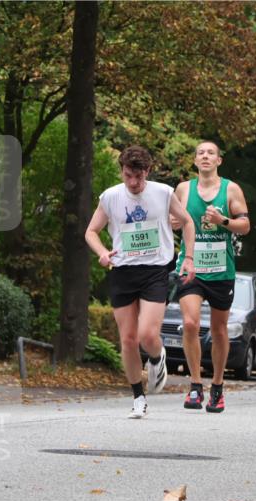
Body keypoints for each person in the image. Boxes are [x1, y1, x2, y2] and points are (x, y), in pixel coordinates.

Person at [85, 145, 196, 419]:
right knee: (128, 339)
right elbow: (91, 231)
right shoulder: (111, 196)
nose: (133, 183)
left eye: (139, 176)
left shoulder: (162, 193)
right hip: (123, 270)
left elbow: (188, 222)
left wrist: (189, 258)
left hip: (155, 269)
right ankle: (138, 396)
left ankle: (158, 358)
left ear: (147, 171)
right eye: (127, 176)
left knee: (147, 334)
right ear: (122, 171)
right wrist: (101, 252)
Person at [173, 141, 251, 413]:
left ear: (219, 161)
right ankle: (195, 385)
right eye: (200, 153)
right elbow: (172, 219)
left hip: (221, 269)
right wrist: (173, 223)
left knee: (219, 330)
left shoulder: (231, 189)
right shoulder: (183, 189)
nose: (205, 157)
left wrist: (224, 221)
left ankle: (217, 386)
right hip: (191, 265)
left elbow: (245, 226)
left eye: (211, 153)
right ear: (195, 160)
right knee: (191, 323)